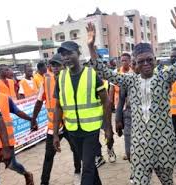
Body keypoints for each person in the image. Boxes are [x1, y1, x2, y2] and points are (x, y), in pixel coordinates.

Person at [86, 6, 176, 184]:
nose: (146, 64)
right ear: (135, 63)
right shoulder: (130, 81)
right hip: (140, 148)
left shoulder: (165, 77)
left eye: (149, 60)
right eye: (141, 61)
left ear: (155, 60)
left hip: (163, 146)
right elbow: (104, 72)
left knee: (168, 182)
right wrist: (91, 47)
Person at [52, 41, 113, 185]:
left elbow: (106, 102)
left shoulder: (92, 74)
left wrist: (108, 128)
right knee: (88, 164)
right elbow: (58, 107)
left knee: (87, 168)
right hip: (73, 130)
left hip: (91, 130)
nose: (66, 57)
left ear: (78, 54)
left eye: (69, 53)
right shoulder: (61, 78)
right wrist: (55, 133)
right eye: (63, 55)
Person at [31, 54, 81, 185]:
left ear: (64, 66)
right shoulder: (46, 81)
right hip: (54, 126)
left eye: (58, 65)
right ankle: (44, 182)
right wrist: (33, 118)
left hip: (70, 123)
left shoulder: (72, 78)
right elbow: (39, 101)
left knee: (76, 150)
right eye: (53, 65)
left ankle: (77, 171)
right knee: (49, 156)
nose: (55, 68)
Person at [0, 92, 37, 185]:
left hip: (5, 141)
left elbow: (17, 111)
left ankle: (26, 174)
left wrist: (31, 119)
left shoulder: (4, 98)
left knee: (11, 165)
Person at [115, 58, 139, 162]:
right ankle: (134, 165)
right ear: (131, 65)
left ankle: (140, 172)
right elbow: (121, 100)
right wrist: (118, 120)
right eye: (134, 63)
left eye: (138, 63)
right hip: (129, 115)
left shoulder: (152, 79)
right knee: (129, 149)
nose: (136, 66)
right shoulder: (127, 80)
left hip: (147, 118)